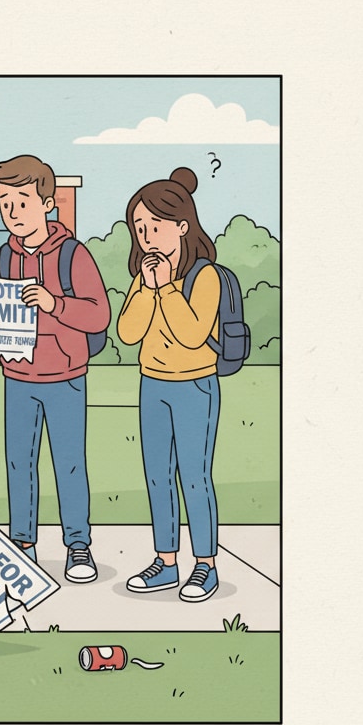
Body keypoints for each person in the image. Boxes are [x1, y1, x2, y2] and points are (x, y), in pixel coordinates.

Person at [0, 154, 111, 584]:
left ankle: (78, 545)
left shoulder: (73, 255)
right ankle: (23, 543)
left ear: (48, 204)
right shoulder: (2, 259)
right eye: (6, 204)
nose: (14, 213)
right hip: (17, 378)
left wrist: (54, 303)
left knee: (68, 463)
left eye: (23, 202)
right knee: (19, 463)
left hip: (66, 378)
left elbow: (99, 315)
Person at [116, 167, 222, 602]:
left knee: (194, 477)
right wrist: (148, 288)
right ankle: (166, 559)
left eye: (155, 226)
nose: (147, 237)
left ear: (182, 226)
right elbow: (127, 332)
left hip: (195, 386)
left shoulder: (205, 277)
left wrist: (165, 290)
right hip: (152, 385)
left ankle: (205, 565)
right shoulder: (145, 280)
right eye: (140, 229)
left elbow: (193, 334)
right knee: (158, 476)